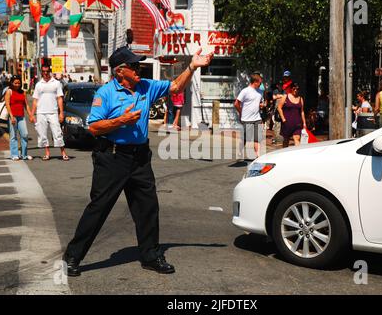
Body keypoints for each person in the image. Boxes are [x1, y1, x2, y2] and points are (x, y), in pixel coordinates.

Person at [63, 46, 214, 276]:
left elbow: (175, 87)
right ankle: (72, 257)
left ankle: (150, 256)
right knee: (99, 208)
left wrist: (192, 67)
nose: (138, 69)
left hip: (140, 157)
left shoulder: (145, 87)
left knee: (148, 208)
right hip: (112, 157)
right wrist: (121, 120)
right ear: (120, 71)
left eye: (138, 65)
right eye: (134, 66)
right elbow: (93, 127)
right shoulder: (105, 93)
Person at [31, 65, 70, 161]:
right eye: (43, 71)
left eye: (47, 71)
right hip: (41, 112)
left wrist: (61, 113)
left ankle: (63, 152)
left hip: (53, 112)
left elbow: (59, 98)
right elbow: (35, 100)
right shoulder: (38, 84)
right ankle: (47, 153)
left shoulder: (56, 83)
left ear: (50, 71)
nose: (45, 73)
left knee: (57, 132)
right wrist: (32, 114)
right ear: (41, 72)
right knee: (42, 133)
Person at [4, 76, 35, 161]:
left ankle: (24, 155)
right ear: (12, 83)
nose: (17, 85)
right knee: (13, 136)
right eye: (15, 83)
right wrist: (11, 116)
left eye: (19, 83)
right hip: (13, 116)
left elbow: (26, 105)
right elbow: (7, 105)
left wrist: (30, 115)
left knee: (24, 134)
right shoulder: (9, 91)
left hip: (21, 117)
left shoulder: (23, 92)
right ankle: (14, 154)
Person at [234, 73, 264, 158]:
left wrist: (261, 105)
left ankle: (258, 155)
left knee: (257, 138)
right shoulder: (245, 91)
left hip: (257, 118)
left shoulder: (260, 92)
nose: (261, 85)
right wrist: (241, 112)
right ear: (255, 82)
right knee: (244, 138)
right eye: (260, 83)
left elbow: (259, 102)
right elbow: (236, 103)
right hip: (246, 119)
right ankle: (240, 151)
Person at [277, 83, 307, 147]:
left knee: (297, 139)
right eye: (294, 88)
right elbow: (279, 107)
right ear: (291, 89)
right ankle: (284, 154)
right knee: (286, 140)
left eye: (297, 89)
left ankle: (296, 155)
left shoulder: (300, 98)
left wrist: (304, 123)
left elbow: (302, 111)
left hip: (297, 124)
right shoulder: (285, 97)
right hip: (287, 123)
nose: (296, 90)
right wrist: (283, 119)